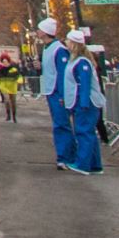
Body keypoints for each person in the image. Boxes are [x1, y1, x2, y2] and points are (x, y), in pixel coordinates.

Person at [60, 27, 105, 172]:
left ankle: (83, 164)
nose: (66, 43)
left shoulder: (81, 62)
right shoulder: (78, 61)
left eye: (68, 40)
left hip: (85, 102)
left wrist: (83, 103)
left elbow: (84, 84)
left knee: (83, 132)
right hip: (81, 101)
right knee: (88, 133)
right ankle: (95, 165)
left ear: (73, 43)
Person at [37, 19, 76, 166]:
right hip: (51, 91)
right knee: (58, 124)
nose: (37, 32)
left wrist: (63, 95)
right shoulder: (47, 48)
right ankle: (66, 155)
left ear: (46, 32)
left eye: (40, 29)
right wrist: (40, 67)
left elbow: (62, 74)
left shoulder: (59, 50)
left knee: (62, 124)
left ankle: (65, 157)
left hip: (57, 93)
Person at [0, 52, 22, 121]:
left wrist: (19, 82)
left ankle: (14, 116)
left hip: (13, 88)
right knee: (6, 100)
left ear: (8, 61)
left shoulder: (14, 70)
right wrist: (0, 86)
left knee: (13, 102)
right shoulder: (0, 71)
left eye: (6, 61)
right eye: (3, 61)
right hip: (4, 88)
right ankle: (8, 115)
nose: (5, 63)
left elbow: (19, 77)